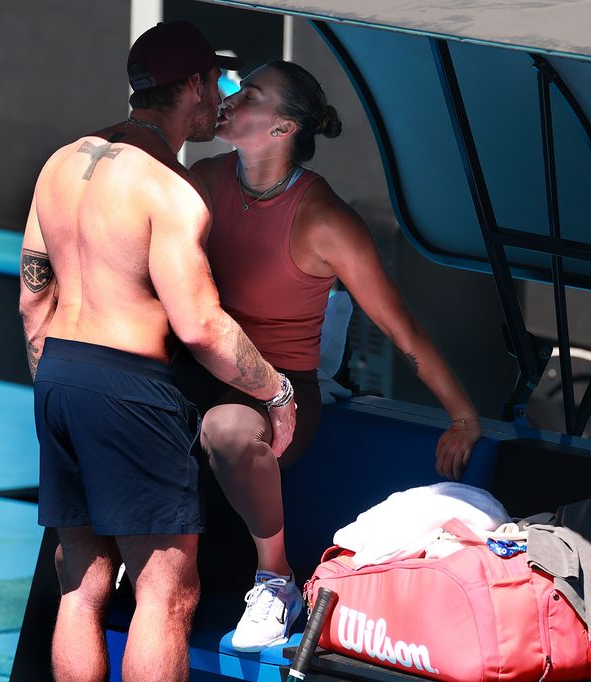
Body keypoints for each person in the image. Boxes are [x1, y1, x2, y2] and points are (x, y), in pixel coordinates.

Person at [18, 23, 297, 682]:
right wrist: (277, 391)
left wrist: (59, 387)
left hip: (59, 376)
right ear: (193, 86)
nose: (222, 97)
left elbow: (33, 298)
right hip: (129, 389)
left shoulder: (61, 164)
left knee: (81, 586)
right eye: (217, 82)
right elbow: (200, 327)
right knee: (164, 592)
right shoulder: (169, 188)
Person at [182, 60, 483, 651]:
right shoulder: (203, 177)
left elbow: (399, 327)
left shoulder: (326, 220)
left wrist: (463, 416)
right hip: (197, 372)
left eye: (251, 95)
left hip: (281, 394)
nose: (231, 99)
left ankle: (276, 580)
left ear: (283, 128)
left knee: (226, 429)